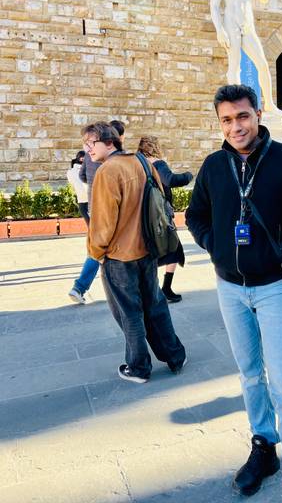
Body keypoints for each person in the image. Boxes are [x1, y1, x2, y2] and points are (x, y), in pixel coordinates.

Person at [186, 84, 282, 503]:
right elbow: (196, 214)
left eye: (243, 116)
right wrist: (214, 246)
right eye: (227, 120)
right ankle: (264, 447)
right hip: (229, 289)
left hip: (275, 288)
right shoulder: (214, 166)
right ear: (220, 122)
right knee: (250, 375)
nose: (236, 126)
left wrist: (281, 253)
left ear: (258, 113)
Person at [86, 122, 186, 383]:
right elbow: (161, 198)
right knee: (155, 304)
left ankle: (139, 368)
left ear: (110, 142)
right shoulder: (142, 162)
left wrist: (96, 252)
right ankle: (175, 355)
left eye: (91, 142)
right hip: (148, 249)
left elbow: (103, 224)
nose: (87, 149)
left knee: (129, 311)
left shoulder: (107, 172)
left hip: (119, 255)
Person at [210, 0, 282, 115]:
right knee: (234, 66)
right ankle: (235, 106)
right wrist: (220, 29)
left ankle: (269, 104)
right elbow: (215, 6)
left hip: (247, 25)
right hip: (230, 23)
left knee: (262, 64)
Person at [68, 120, 126, 305]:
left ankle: (81, 286)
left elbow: (82, 175)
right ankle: (80, 286)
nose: (89, 148)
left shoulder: (93, 158)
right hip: (109, 212)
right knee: (100, 248)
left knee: (99, 246)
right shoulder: (118, 162)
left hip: (93, 206)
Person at [137, 136, 193, 303]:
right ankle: (165, 288)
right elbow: (171, 180)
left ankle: (149, 291)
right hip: (159, 215)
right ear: (155, 147)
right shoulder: (157, 163)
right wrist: (188, 175)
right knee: (173, 249)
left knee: (149, 252)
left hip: (141, 214)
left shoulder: (136, 163)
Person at [66, 150, 89, 225]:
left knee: (88, 219)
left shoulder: (70, 172)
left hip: (81, 198)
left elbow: (72, 184)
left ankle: (93, 233)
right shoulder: (89, 169)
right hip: (92, 197)